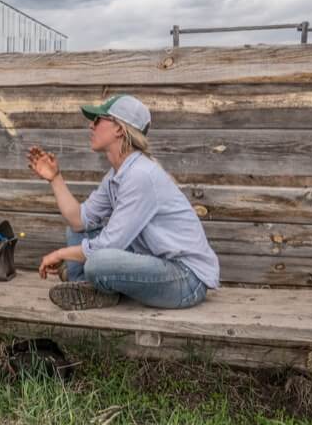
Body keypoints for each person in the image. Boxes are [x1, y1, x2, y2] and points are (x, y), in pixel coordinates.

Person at [27, 94, 219, 311]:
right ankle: (91, 288)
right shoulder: (117, 175)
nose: (91, 125)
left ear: (119, 128)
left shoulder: (141, 175)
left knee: (99, 262)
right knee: (79, 235)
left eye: (98, 120)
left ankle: (96, 285)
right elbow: (79, 220)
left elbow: (109, 245)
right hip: (156, 266)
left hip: (186, 279)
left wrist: (61, 254)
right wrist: (55, 178)